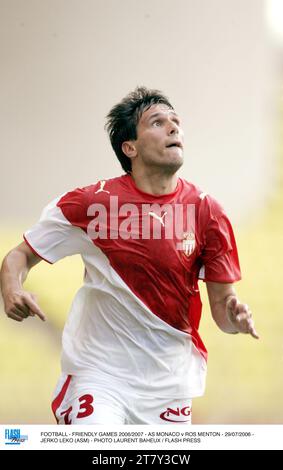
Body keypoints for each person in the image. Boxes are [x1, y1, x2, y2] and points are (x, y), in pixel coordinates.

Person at [0, 86, 258, 425]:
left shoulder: (207, 212)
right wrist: (12, 289)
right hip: (100, 377)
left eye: (175, 121)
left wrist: (234, 319)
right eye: (157, 122)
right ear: (130, 147)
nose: (173, 127)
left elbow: (222, 312)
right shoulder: (92, 203)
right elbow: (19, 256)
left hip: (169, 385)